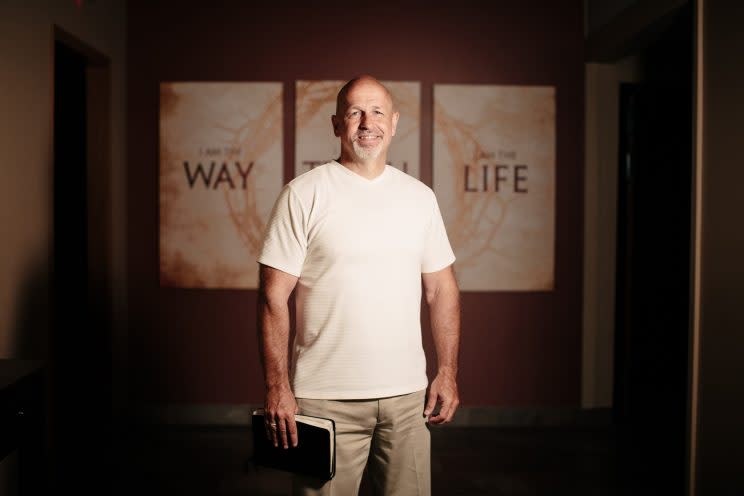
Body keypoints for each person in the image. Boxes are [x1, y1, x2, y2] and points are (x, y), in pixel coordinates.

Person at [257, 75, 461, 495]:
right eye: (355, 112)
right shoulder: (303, 195)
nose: (367, 122)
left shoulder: (420, 198)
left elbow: (442, 289)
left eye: (377, 111)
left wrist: (447, 371)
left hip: (408, 400)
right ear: (337, 125)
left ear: (395, 122)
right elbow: (273, 297)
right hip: (323, 401)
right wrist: (278, 388)